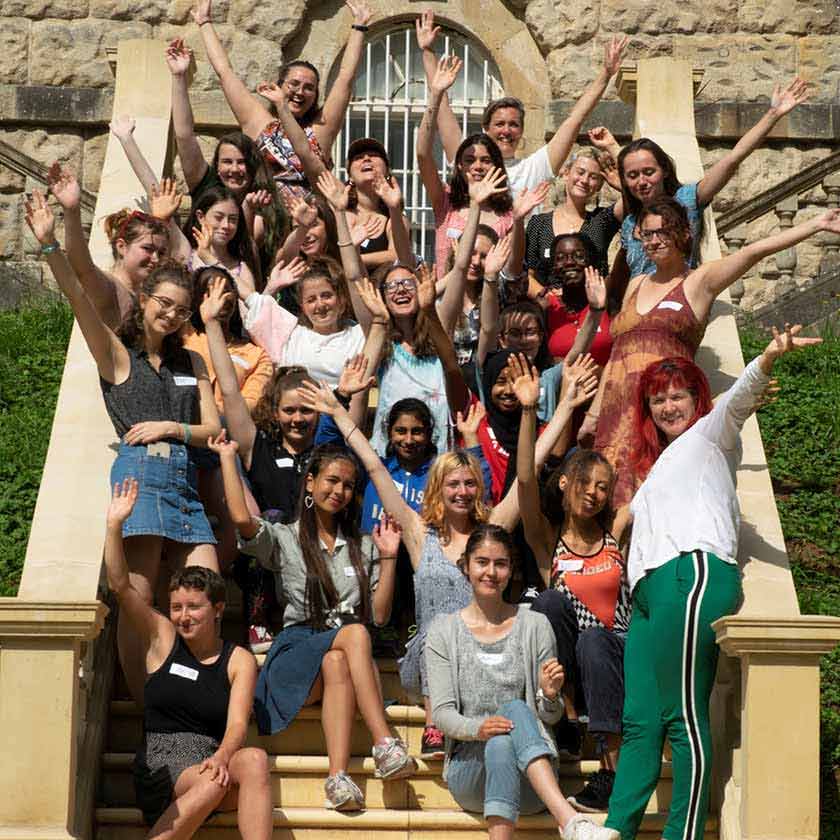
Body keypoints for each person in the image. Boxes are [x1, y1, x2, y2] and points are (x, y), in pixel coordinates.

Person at [604, 324, 820, 840]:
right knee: (639, 719)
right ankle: (617, 828)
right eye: (658, 399)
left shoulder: (710, 432)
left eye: (679, 395)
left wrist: (769, 355)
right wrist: (621, 524)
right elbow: (636, 510)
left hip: (692, 576)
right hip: (650, 595)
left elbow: (739, 399)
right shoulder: (659, 466)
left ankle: (684, 833)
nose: (669, 406)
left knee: (682, 713)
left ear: (698, 399)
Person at [24, 190, 221, 705]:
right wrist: (50, 247)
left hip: (184, 479)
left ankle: (193, 694)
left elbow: (212, 430)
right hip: (141, 479)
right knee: (136, 599)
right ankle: (146, 707)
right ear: (147, 300)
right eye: (164, 305)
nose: (172, 315)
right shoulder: (118, 355)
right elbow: (81, 299)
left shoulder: (192, 364)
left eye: (182, 310)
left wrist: (169, 427)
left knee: (208, 593)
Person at [588, 200, 840, 507]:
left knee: (653, 495)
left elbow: (751, 252)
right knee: (605, 494)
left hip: (661, 411)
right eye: (647, 233)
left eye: (663, 232)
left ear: (683, 233)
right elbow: (618, 354)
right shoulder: (637, 282)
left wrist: (815, 225)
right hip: (615, 411)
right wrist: (593, 413)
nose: (654, 241)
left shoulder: (698, 281)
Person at [213, 435, 415, 810]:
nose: (339, 491)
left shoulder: (364, 545)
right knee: (353, 634)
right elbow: (241, 519)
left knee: (340, 656)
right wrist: (228, 457)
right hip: (295, 651)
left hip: (337, 660)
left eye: (348, 485)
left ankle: (337, 779)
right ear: (310, 482)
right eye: (332, 481)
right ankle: (385, 742)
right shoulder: (286, 537)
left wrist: (388, 558)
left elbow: (382, 616)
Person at [425, 524, 620, 840]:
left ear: (511, 570)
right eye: (482, 562)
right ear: (466, 566)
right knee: (502, 729)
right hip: (471, 774)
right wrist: (479, 728)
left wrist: (549, 695)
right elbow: (444, 715)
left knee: (506, 734)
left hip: (533, 781)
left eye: (500, 563)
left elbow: (550, 717)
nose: (491, 571)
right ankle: (569, 821)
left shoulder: (536, 624)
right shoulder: (443, 632)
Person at [104, 479, 271, 838]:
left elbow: (238, 726)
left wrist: (223, 757)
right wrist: (114, 525)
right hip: (161, 761)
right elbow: (120, 586)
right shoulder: (162, 636)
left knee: (254, 760)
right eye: (177, 607)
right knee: (213, 783)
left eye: (194, 607)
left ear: (218, 610)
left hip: (211, 760)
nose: (184, 616)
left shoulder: (238, 659)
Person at [515, 354, 629, 812]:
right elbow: (524, 479)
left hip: (616, 652)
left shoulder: (616, 531)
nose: (593, 492)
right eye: (584, 480)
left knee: (597, 642)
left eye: (603, 485)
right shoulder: (548, 542)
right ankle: (563, 715)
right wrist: (529, 411)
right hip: (572, 666)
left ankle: (611, 772)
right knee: (547, 602)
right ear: (564, 483)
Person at [587, 77, 810, 278]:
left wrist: (773, 115)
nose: (642, 182)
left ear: (664, 170)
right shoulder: (629, 222)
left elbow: (733, 159)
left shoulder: (686, 200)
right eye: (633, 176)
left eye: (649, 172)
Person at [417, 10, 627, 206]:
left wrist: (606, 74)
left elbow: (575, 119)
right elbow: (442, 107)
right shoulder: (469, 159)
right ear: (486, 128)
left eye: (513, 125)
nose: (506, 131)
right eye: (499, 124)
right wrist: (427, 51)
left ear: (522, 130)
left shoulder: (532, 168)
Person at [193, 0, 372, 203]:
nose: (300, 92)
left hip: (312, 224)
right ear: (279, 86)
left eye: (309, 88)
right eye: (293, 84)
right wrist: (205, 22)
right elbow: (225, 72)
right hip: (263, 219)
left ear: (315, 96)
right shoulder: (260, 124)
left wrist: (359, 26)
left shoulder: (321, 129)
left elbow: (345, 77)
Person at [417, 55, 547, 279]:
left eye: (485, 161)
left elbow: (513, 271)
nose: (477, 166)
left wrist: (518, 221)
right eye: (470, 160)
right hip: (444, 303)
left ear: (497, 166)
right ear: (459, 165)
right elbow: (422, 154)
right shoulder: (445, 201)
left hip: (488, 304)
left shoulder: (506, 215)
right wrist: (436, 95)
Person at [46, 164, 169, 329]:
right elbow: (83, 268)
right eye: (147, 249)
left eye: (161, 252)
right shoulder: (109, 288)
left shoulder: (146, 293)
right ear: (121, 247)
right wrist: (72, 211)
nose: (155, 258)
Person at [525, 148, 620, 281]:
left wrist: (612, 147)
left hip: (591, 300)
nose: (585, 180)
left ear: (599, 185)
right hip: (545, 299)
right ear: (566, 173)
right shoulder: (539, 223)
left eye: (593, 177)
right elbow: (528, 273)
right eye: (580, 172)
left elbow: (635, 199)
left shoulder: (601, 220)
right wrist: (549, 299)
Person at [535, 234, 614, 367]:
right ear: (553, 267)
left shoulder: (608, 300)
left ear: (590, 261)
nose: (569, 262)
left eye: (579, 256)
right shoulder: (548, 307)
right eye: (560, 258)